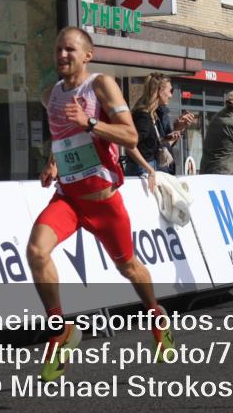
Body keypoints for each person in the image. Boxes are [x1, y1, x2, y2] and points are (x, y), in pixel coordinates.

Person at [27, 28, 173, 382]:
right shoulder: (51, 96)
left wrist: (91, 122)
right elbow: (63, 136)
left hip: (104, 202)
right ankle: (60, 330)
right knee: (36, 252)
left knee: (130, 269)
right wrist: (52, 162)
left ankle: (156, 315)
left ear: (87, 55)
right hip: (68, 198)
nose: (62, 55)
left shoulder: (100, 85)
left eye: (70, 50)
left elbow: (131, 136)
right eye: (58, 49)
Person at [125, 73, 195, 189]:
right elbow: (130, 145)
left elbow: (148, 144)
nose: (171, 95)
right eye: (170, 90)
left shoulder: (152, 114)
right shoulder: (143, 116)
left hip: (147, 169)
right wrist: (149, 169)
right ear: (159, 91)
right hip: (142, 171)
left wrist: (170, 135)